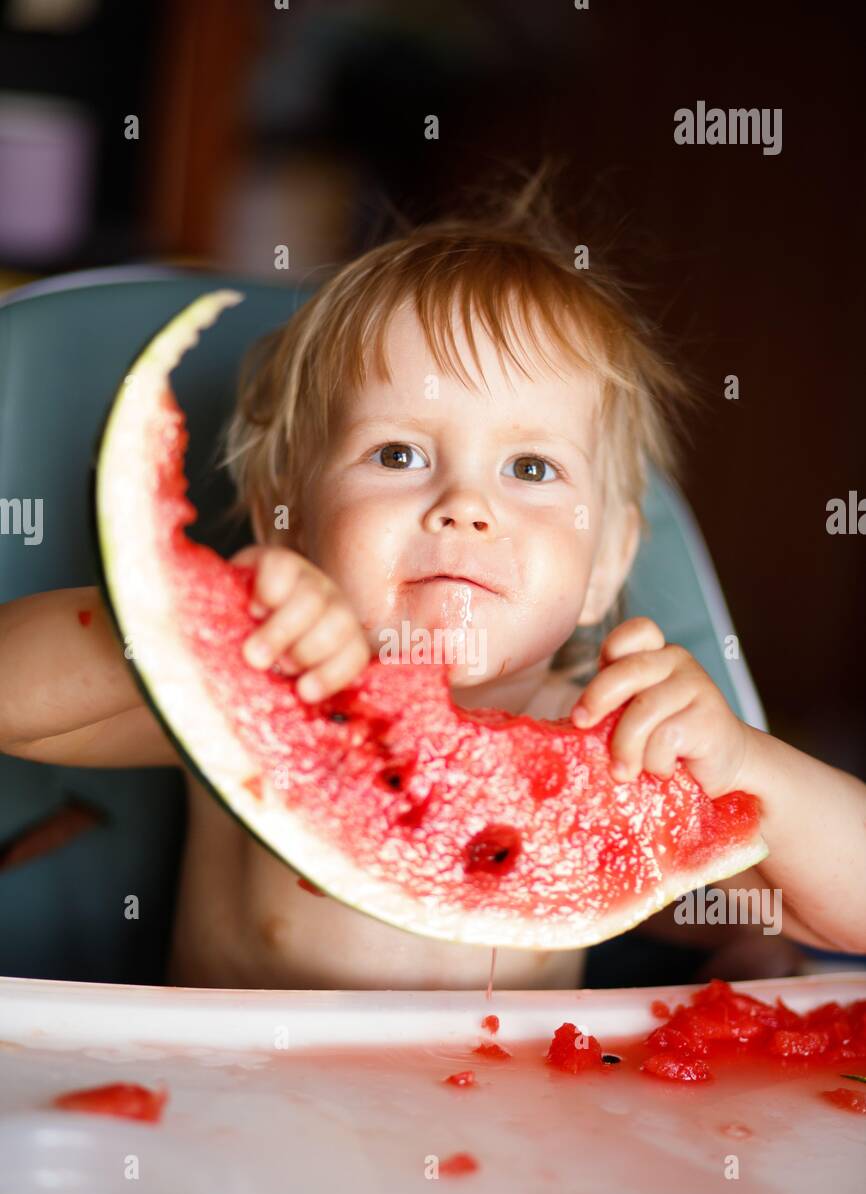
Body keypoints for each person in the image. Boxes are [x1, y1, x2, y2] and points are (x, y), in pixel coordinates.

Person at [2, 175, 863, 988]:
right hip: (233, 1124)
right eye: (398, 454)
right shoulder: (261, 694)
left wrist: (752, 772)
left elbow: (838, 922)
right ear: (282, 522)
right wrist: (193, 623)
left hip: (520, 1141)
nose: (463, 506)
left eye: (530, 467)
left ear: (608, 565)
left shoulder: (618, 746)